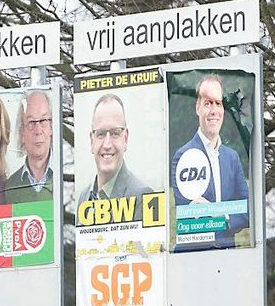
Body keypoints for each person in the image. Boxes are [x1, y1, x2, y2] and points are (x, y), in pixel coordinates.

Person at [170, 74, 249, 245]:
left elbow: (248, 210)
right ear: (197, 108)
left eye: (218, 103)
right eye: (207, 103)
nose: (214, 110)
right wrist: (225, 214)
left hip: (227, 257)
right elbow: (190, 216)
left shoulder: (232, 158)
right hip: (195, 256)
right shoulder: (183, 156)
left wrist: (220, 216)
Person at [77, 93, 153, 221]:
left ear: (126, 138)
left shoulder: (143, 196)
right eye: (100, 134)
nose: (107, 145)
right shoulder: (84, 198)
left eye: (115, 133)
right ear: (91, 141)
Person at [4, 90, 55, 204]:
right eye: (31, 122)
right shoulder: (9, 188)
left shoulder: (66, 178)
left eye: (43, 120)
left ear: (51, 127)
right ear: (22, 133)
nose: (38, 131)